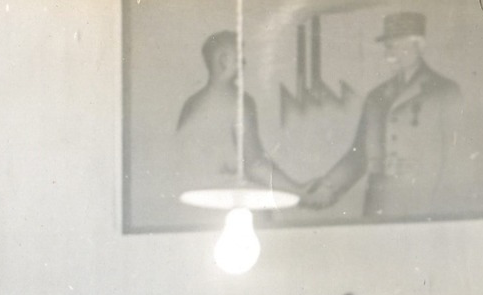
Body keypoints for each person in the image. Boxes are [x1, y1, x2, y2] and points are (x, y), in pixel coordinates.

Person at [299, 11, 464, 220]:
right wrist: (327, 188)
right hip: (380, 205)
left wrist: (446, 212)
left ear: (419, 46)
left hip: (425, 206)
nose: (388, 55)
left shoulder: (445, 92)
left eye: (395, 46)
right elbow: (359, 154)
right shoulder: (376, 97)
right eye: (387, 47)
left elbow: (456, 160)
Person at [174, 30, 303, 196]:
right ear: (224, 60)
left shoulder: (190, 103)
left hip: (187, 202)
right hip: (221, 199)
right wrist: (298, 189)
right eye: (239, 56)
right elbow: (255, 165)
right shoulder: (239, 100)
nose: (244, 62)